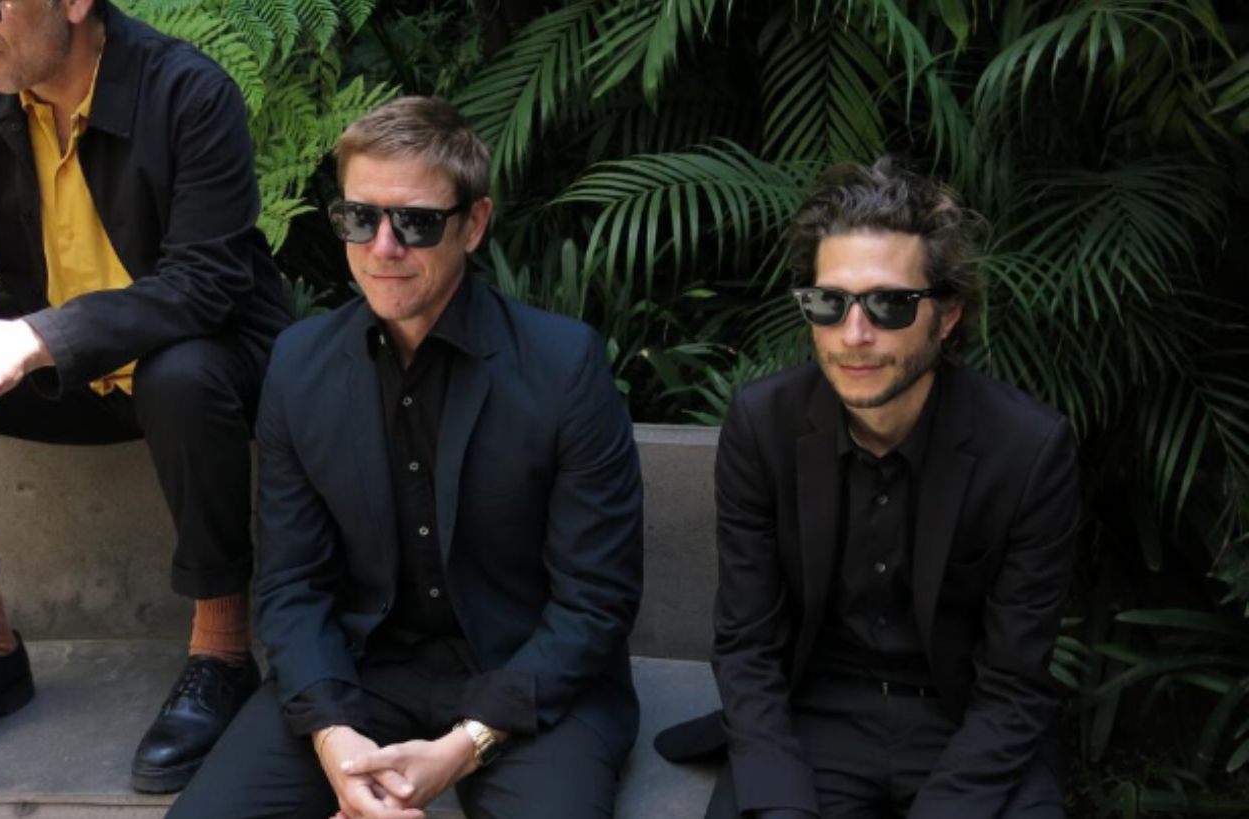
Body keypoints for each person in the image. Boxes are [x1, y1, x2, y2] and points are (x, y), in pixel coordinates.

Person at [0, 0, 289, 792]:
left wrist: (31, 339)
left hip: (203, 363)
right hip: (66, 374)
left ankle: (222, 652)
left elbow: (206, 285)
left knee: (181, 374)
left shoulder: (188, 93)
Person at [167, 96, 644, 819]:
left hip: (532, 680)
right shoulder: (298, 364)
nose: (383, 247)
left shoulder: (563, 365)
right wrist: (333, 736)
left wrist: (462, 746)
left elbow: (596, 600)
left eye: (416, 223)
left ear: (474, 224)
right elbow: (293, 584)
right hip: (359, 674)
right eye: (360, 218)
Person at [655, 158, 1079, 818]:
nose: (855, 335)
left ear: (947, 315)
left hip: (967, 724)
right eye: (829, 303)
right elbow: (747, 646)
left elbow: (1014, 683)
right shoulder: (763, 425)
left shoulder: (1027, 450)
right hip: (810, 717)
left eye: (890, 304)